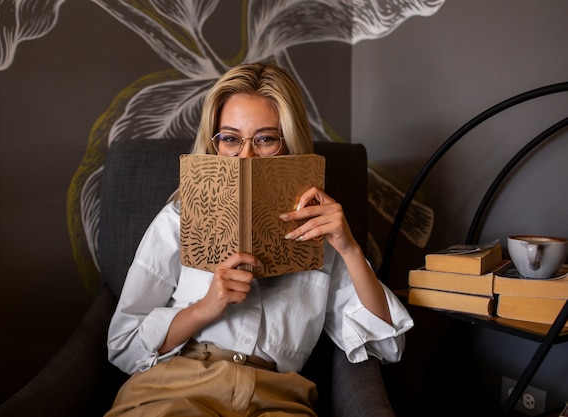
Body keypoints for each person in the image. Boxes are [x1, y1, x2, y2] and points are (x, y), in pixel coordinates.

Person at [105, 63, 413, 417]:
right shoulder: (178, 217)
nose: (246, 156)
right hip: (177, 388)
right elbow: (124, 345)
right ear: (213, 143)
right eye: (231, 138)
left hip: (277, 400)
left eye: (266, 139)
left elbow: (388, 345)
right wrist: (205, 307)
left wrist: (349, 248)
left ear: (289, 144)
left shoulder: (320, 234)